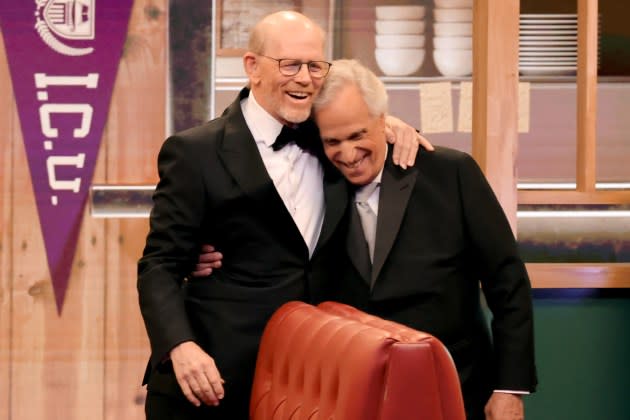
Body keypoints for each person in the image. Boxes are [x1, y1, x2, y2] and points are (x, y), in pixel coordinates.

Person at [197, 59, 538, 420]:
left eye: (358, 135)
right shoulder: (311, 182)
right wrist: (194, 255)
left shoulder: (450, 173)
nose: (347, 154)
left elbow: (507, 283)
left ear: (384, 121)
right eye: (333, 141)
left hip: (455, 390)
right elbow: (247, 153)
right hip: (351, 400)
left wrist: (509, 389)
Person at [137, 11, 431, 420]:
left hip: (312, 386)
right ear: (252, 67)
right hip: (213, 381)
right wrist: (179, 347)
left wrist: (393, 125)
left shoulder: (332, 142)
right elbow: (159, 265)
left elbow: (363, 128)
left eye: (315, 66)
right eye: (290, 64)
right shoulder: (195, 152)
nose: (305, 78)